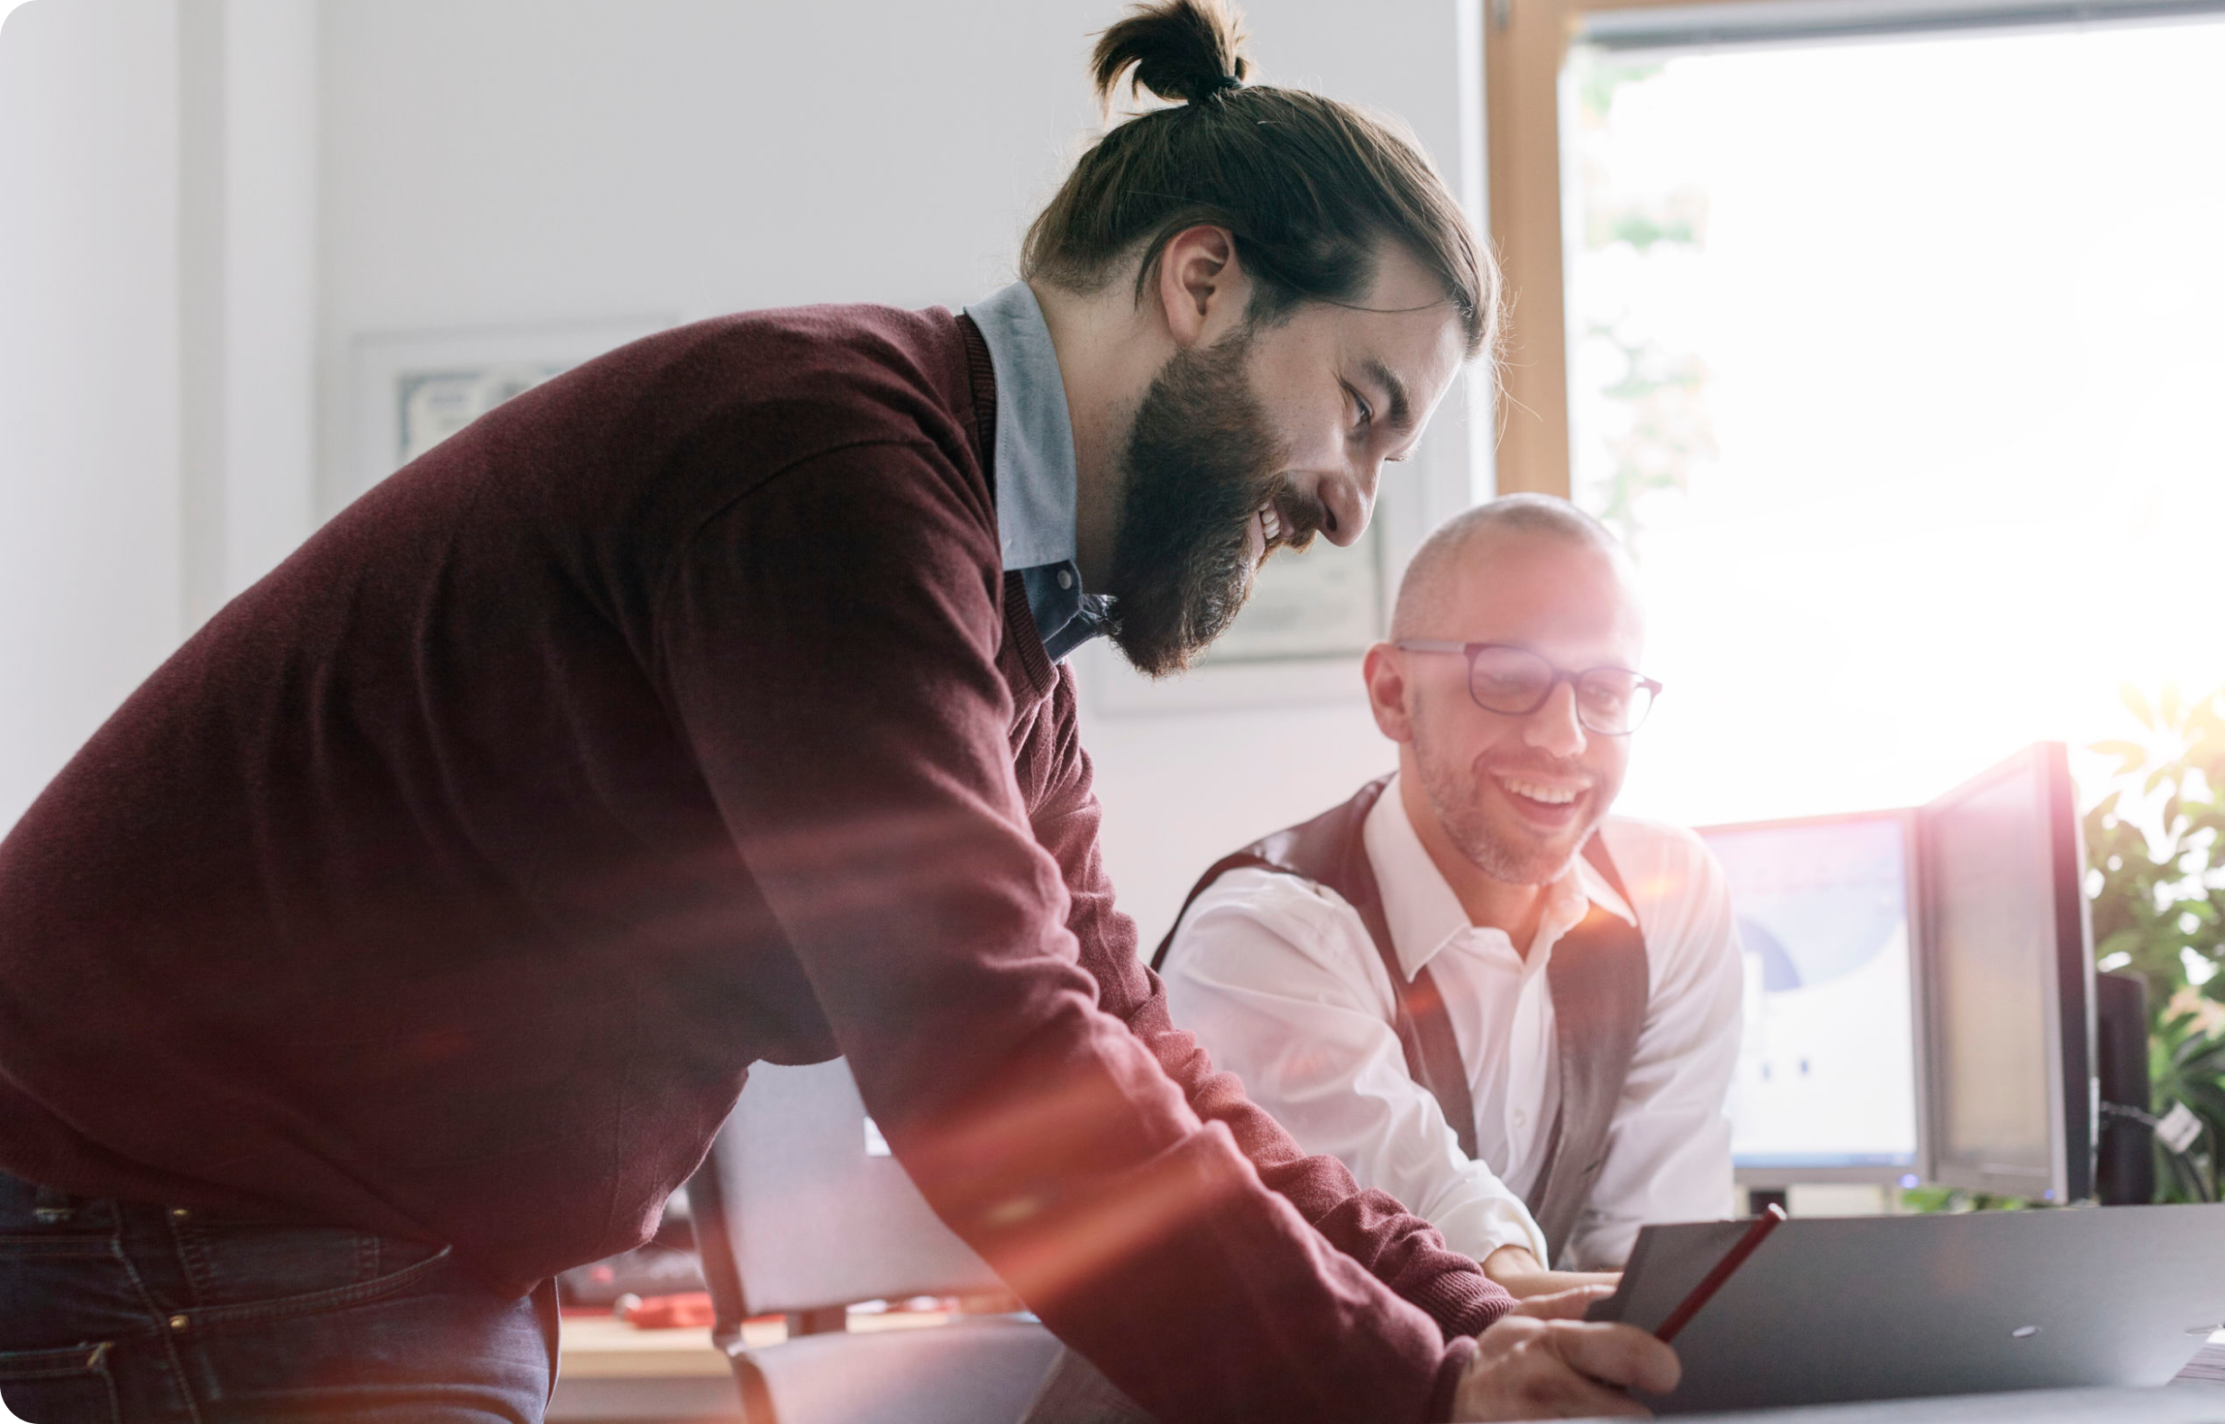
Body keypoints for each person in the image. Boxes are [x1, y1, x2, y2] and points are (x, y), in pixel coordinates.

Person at [0, 3, 1679, 1421]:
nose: (1347, 501)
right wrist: (1410, 1385)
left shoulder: (987, 600)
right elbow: (991, 1060)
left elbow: (1125, 1033)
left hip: (346, 1250)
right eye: (1364, 411)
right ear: (1200, 280)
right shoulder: (830, 481)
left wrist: (1466, 1321)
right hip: (170, 1237)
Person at [1158, 495, 1744, 1301]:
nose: (1564, 738)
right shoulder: (1260, 937)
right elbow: (1433, 1242)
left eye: (1604, 691)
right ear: (1394, 695)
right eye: (1508, 678)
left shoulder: (1668, 897)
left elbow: (1658, 1255)